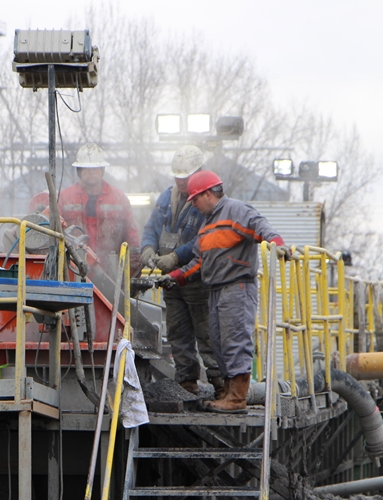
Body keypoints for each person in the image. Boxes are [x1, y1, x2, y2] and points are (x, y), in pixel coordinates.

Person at [161, 171, 291, 413]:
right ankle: (230, 393)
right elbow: (199, 262)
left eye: (195, 200)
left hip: (237, 287)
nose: (194, 206)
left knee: (235, 340)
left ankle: (237, 398)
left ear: (207, 194)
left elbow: (260, 225)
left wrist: (277, 243)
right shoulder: (207, 224)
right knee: (220, 342)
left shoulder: (236, 210)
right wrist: (174, 277)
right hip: (217, 290)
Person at [140, 146, 223, 396]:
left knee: (206, 333)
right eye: (178, 177)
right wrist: (147, 248)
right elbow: (152, 226)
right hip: (171, 280)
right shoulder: (167, 197)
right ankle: (187, 383)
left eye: (186, 177)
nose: (181, 182)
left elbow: (201, 240)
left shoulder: (206, 202)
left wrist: (175, 257)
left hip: (197, 279)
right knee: (178, 332)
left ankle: (221, 385)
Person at [57, 143, 141, 277]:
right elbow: (55, 237)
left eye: (95, 168)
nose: (91, 172)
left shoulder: (119, 199)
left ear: (102, 170)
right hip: (74, 274)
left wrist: (133, 275)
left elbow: (132, 239)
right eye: (87, 168)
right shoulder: (64, 199)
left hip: (111, 275)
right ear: (79, 170)